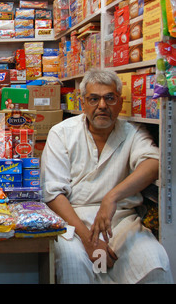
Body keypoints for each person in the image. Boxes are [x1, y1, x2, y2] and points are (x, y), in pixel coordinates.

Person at [40, 68, 173, 284]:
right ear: (83, 103)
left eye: (109, 98)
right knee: (73, 264)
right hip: (74, 222)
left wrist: (111, 197)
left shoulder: (132, 132)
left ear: (120, 103)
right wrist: (88, 240)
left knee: (154, 263)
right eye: (94, 99)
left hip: (120, 221)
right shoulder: (61, 133)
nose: (102, 106)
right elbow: (53, 194)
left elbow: (154, 164)